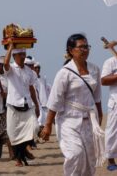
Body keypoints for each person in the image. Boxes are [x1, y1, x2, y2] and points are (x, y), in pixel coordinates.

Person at [41, 34, 104, 176]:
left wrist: (99, 116)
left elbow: (97, 96)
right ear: (71, 50)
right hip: (68, 120)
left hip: (88, 121)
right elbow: (55, 100)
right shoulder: (64, 73)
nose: (85, 50)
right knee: (75, 154)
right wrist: (48, 124)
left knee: (89, 158)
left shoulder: (94, 70)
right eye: (81, 47)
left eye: (87, 47)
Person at [4, 46, 40, 166]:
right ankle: (19, 158)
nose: (23, 57)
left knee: (34, 128)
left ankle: (25, 149)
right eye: (20, 54)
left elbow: (31, 88)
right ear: (14, 56)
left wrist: (37, 104)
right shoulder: (11, 69)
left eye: (24, 54)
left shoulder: (30, 72)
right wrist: (10, 47)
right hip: (13, 105)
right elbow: (5, 64)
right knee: (13, 134)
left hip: (28, 104)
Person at [100, 41, 117, 171]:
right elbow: (104, 80)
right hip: (115, 102)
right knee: (112, 132)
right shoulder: (110, 62)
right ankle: (110, 158)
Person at [33, 62, 51, 129]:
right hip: (37, 102)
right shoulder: (32, 79)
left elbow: (47, 89)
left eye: (38, 68)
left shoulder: (43, 78)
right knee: (38, 120)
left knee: (44, 120)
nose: (37, 69)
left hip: (45, 102)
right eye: (36, 68)